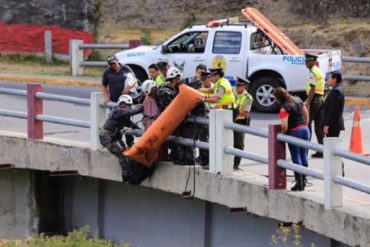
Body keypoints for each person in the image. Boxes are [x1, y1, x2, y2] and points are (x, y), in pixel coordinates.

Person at [274, 87, 310, 191]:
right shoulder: (298, 100)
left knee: (296, 157)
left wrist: (281, 135)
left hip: (294, 132)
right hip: (305, 130)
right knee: (304, 155)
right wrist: (305, 125)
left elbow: (284, 126)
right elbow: (306, 113)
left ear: (278, 98)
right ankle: (304, 180)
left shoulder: (284, 108)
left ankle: (299, 182)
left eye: (275, 98)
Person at [102, 55, 138, 147]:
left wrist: (127, 88)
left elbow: (134, 81)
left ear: (117, 61)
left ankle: (130, 142)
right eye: (110, 64)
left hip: (125, 101)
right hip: (114, 102)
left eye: (113, 63)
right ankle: (118, 141)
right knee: (115, 122)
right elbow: (104, 85)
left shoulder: (126, 69)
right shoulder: (107, 72)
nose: (112, 65)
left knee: (126, 121)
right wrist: (106, 97)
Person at [304, 53, 325, 158]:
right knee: (319, 126)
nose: (305, 63)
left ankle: (305, 150)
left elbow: (312, 88)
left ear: (313, 61)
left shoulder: (313, 71)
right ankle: (322, 150)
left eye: (307, 61)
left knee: (307, 124)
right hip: (321, 98)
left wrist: (307, 101)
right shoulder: (319, 71)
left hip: (314, 99)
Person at [233, 77, 253, 170]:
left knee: (239, 144)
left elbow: (245, 113)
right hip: (230, 120)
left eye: (239, 85)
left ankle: (236, 164)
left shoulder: (248, 97)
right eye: (236, 85)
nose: (237, 87)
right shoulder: (232, 92)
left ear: (244, 86)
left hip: (240, 122)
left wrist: (235, 111)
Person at [323, 72, 345, 138]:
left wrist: (327, 125)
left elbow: (332, 110)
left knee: (332, 145)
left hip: (332, 125)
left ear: (334, 79)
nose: (327, 80)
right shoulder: (338, 89)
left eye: (329, 78)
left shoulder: (336, 92)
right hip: (334, 124)